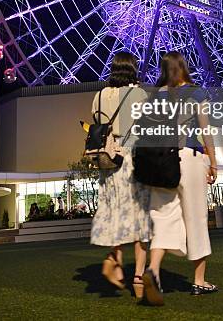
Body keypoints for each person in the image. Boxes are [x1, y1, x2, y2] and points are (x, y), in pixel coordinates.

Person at [143, 51, 218, 306]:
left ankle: (153, 270)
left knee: (163, 218)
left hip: (161, 163)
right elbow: (205, 129)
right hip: (189, 157)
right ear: (184, 66)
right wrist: (214, 162)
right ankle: (199, 281)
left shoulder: (154, 96)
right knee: (196, 218)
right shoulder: (196, 92)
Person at [90, 52, 151, 300]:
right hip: (132, 160)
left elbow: (97, 124)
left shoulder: (100, 95)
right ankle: (138, 276)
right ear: (133, 69)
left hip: (108, 161)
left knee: (114, 213)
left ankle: (114, 261)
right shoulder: (138, 94)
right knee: (141, 220)